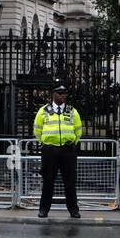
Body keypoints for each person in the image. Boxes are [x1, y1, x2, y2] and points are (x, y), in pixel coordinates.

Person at [34, 84, 82, 219]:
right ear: (53, 95)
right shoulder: (43, 111)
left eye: (64, 93)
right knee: (48, 181)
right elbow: (37, 129)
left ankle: (74, 210)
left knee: (70, 182)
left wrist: (72, 143)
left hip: (68, 150)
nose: (63, 96)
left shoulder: (72, 111)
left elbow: (78, 130)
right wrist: (44, 143)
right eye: (59, 93)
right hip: (50, 150)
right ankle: (43, 209)